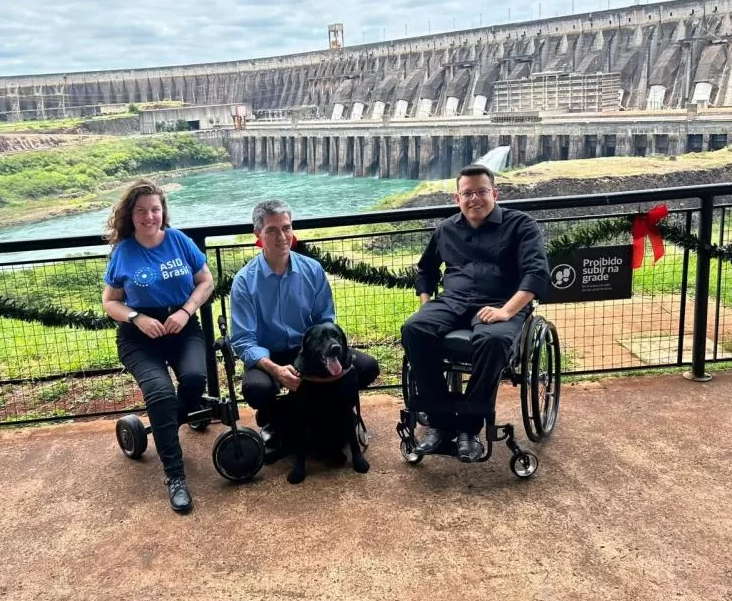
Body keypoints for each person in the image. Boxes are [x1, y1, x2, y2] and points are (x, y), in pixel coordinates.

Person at [401, 164, 550, 462]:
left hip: (499, 302)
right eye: (467, 193)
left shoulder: (521, 225)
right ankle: (440, 422)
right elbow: (426, 270)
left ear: (494, 193)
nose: (474, 199)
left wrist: (507, 312)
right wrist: (425, 303)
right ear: (458, 198)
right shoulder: (446, 229)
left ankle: (469, 428)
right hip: (453, 301)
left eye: (481, 192)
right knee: (414, 329)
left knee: (492, 341)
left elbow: (536, 273)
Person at [102, 179, 214, 513]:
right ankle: (175, 476)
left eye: (155, 209)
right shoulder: (123, 252)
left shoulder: (179, 241)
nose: (149, 216)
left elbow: (205, 281)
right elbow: (110, 302)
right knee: (162, 395)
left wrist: (186, 310)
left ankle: (167, 421)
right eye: (141, 211)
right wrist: (136, 317)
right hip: (141, 338)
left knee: (195, 380)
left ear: (163, 210)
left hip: (181, 326)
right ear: (130, 215)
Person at [230, 199, 379, 444]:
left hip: (310, 350)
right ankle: (274, 417)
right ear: (258, 234)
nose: (282, 236)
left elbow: (325, 320)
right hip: (270, 355)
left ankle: (327, 411)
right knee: (257, 389)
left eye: (286, 228)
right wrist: (276, 370)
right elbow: (244, 340)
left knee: (367, 366)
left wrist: (317, 358)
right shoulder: (245, 281)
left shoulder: (313, 270)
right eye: (272, 230)